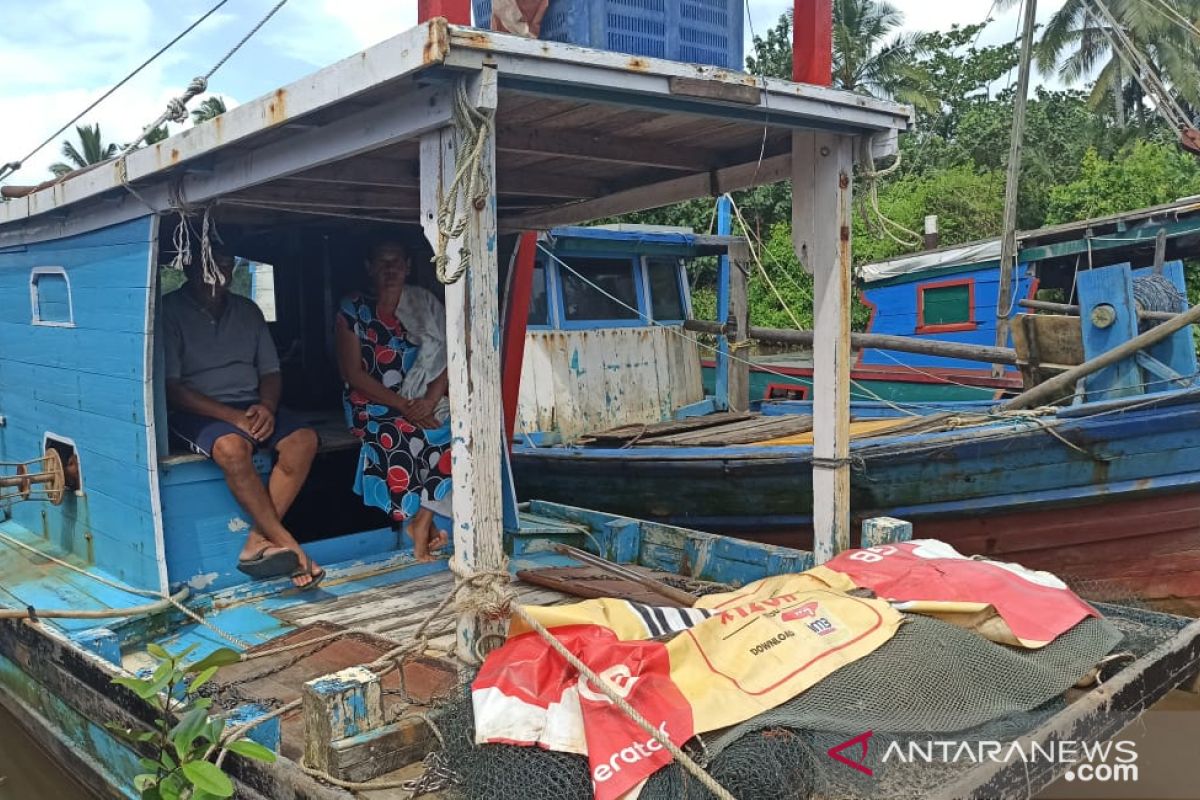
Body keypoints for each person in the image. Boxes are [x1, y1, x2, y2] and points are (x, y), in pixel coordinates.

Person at [163, 247, 323, 589]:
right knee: (233, 449)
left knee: (303, 440)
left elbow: (271, 372)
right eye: (211, 266)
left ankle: (257, 541)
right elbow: (172, 388)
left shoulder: (248, 311)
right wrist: (232, 417)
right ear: (190, 268)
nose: (220, 274)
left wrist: (265, 406)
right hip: (196, 409)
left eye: (226, 266)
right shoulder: (169, 312)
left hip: (250, 403)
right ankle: (291, 546)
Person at [335, 240, 452, 561]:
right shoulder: (353, 308)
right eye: (382, 262)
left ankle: (422, 523)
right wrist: (404, 406)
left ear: (408, 267)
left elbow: (448, 356)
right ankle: (421, 528)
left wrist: (428, 400)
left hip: (419, 402)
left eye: (397, 262)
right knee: (406, 432)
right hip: (370, 405)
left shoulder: (423, 303)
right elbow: (353, 373)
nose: (390, 270)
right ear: (369, 268)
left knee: (457, 432)